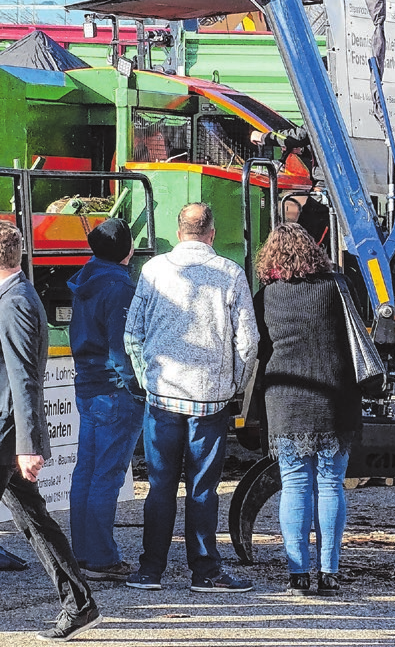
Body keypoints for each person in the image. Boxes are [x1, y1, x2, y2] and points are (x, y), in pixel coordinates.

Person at [124, 202, 258, 593]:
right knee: (203, 488)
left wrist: (147, 379)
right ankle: (205, 571)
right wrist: (235, 384)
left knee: (161, 486)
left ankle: (150, 570)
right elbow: (248, 343)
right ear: (211, 233)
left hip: (163, 397)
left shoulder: (152, 271)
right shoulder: (231, 274)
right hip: (210, 400)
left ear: (179, 231)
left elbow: (133, 334)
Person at [0, 222, 102, 640]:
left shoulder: (15, 302)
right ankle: (78, 603)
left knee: (34, 520)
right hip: (9, 432)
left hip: (6, 434)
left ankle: (78, 603)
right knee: (34, 521)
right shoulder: (14, 295)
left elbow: (24, 379)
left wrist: (27, 445)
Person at [253, 223, 361, 597]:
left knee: (294, 486)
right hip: (335, 396)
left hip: (286, 399)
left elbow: (257, 348)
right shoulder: (336, 286)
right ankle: (330, 571)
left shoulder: (266, 296)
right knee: (331, 485)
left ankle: (297, 574)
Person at [67, 218, 145, 582]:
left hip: (88, 385)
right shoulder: (119, 288)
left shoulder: (85, 281)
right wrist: (137, 387)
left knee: (86, 470)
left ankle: (82, 551)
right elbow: (121, 350)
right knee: (107, 475)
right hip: (115, 389)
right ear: (127, 250)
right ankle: (100, 557)